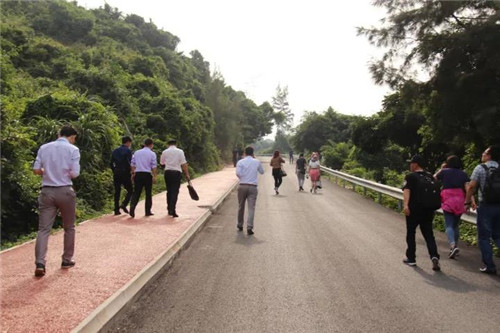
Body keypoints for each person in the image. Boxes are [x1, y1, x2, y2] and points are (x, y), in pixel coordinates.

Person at [32, 125, 80, 277]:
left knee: (43, 229)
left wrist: (46, 172)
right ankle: (66, 259)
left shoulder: (44, 148)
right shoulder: (73, 150)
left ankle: (40, 263)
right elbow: (75, 174)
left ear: (59, 134)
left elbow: (36, 170)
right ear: (71, 136)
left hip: (47, 191)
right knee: (69, 227)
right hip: (65, 190)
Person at [465, 145, 500, 274]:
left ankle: (490, 266)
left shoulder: (480, 168)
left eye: (484, 153)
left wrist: (467, 201)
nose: (482, 155)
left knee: (484, 237)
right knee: (498, 235)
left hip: (485, 206)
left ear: (489, 155)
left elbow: (471, 187)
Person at [402, 155, 441, 271]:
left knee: (411, 233)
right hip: (428, 210)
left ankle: (411, 258)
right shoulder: (430, 176)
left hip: (414, 210)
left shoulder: (410, 177)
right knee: (429, 234)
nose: (410, 165)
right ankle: (434, 255)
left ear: (416, 164)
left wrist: (406, 206)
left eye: (411, 163)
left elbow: (406, 191)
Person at [434, 155, 470, 259]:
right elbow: (468, 187)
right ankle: (455, 247)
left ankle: (453, 245)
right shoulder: (463, 174)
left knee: (448, 225)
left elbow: (434, 177)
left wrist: (441, 169)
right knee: (455, 225)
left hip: (448, 198)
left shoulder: (444, 171)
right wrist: (468, 202)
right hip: (460, 199)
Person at [236, 146, 264, 235]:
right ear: (253, 153)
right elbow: (262, 172)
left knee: (241, 206)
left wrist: (243, 178)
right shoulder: (256, 161)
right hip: (253, 187)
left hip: (242, 185)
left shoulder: (240, 162)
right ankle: (249, 227)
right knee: (251, 208)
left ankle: (240, 225)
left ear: (245, 152)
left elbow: (238, 173)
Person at [160, 139, 190, 218]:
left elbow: (162, 163)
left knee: (169, 191)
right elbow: (184, 164)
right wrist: (187, 174)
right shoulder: (180, 151)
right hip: (176, 173)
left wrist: (166, 166)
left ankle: (169, 207)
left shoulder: (164, 152)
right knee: (175, 191)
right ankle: (172, 209)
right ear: (176, 144)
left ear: (168, 144)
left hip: (168, 173)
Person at [129, 138, 157, 218]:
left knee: (136, 192)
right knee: (148, 193)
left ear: (144, 144)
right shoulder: (152, 154)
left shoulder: (136, 152)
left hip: (138, 174)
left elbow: (132, 164)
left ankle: (132, 207)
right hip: (147, 175)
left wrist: (133, 173)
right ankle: (147, 211)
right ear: (151, 145)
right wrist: (154, 176)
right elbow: (154, 166)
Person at [110, 136, 133, 215]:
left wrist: (114, 170)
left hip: (117, 172)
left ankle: (116, 210)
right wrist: (132, 172)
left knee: (117, 191)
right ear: (128, 142)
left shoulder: (115, 150)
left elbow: (111, 163)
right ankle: (124, 204)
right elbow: (130, 162)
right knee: (130, 190)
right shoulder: (128, 151)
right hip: (125, 173)